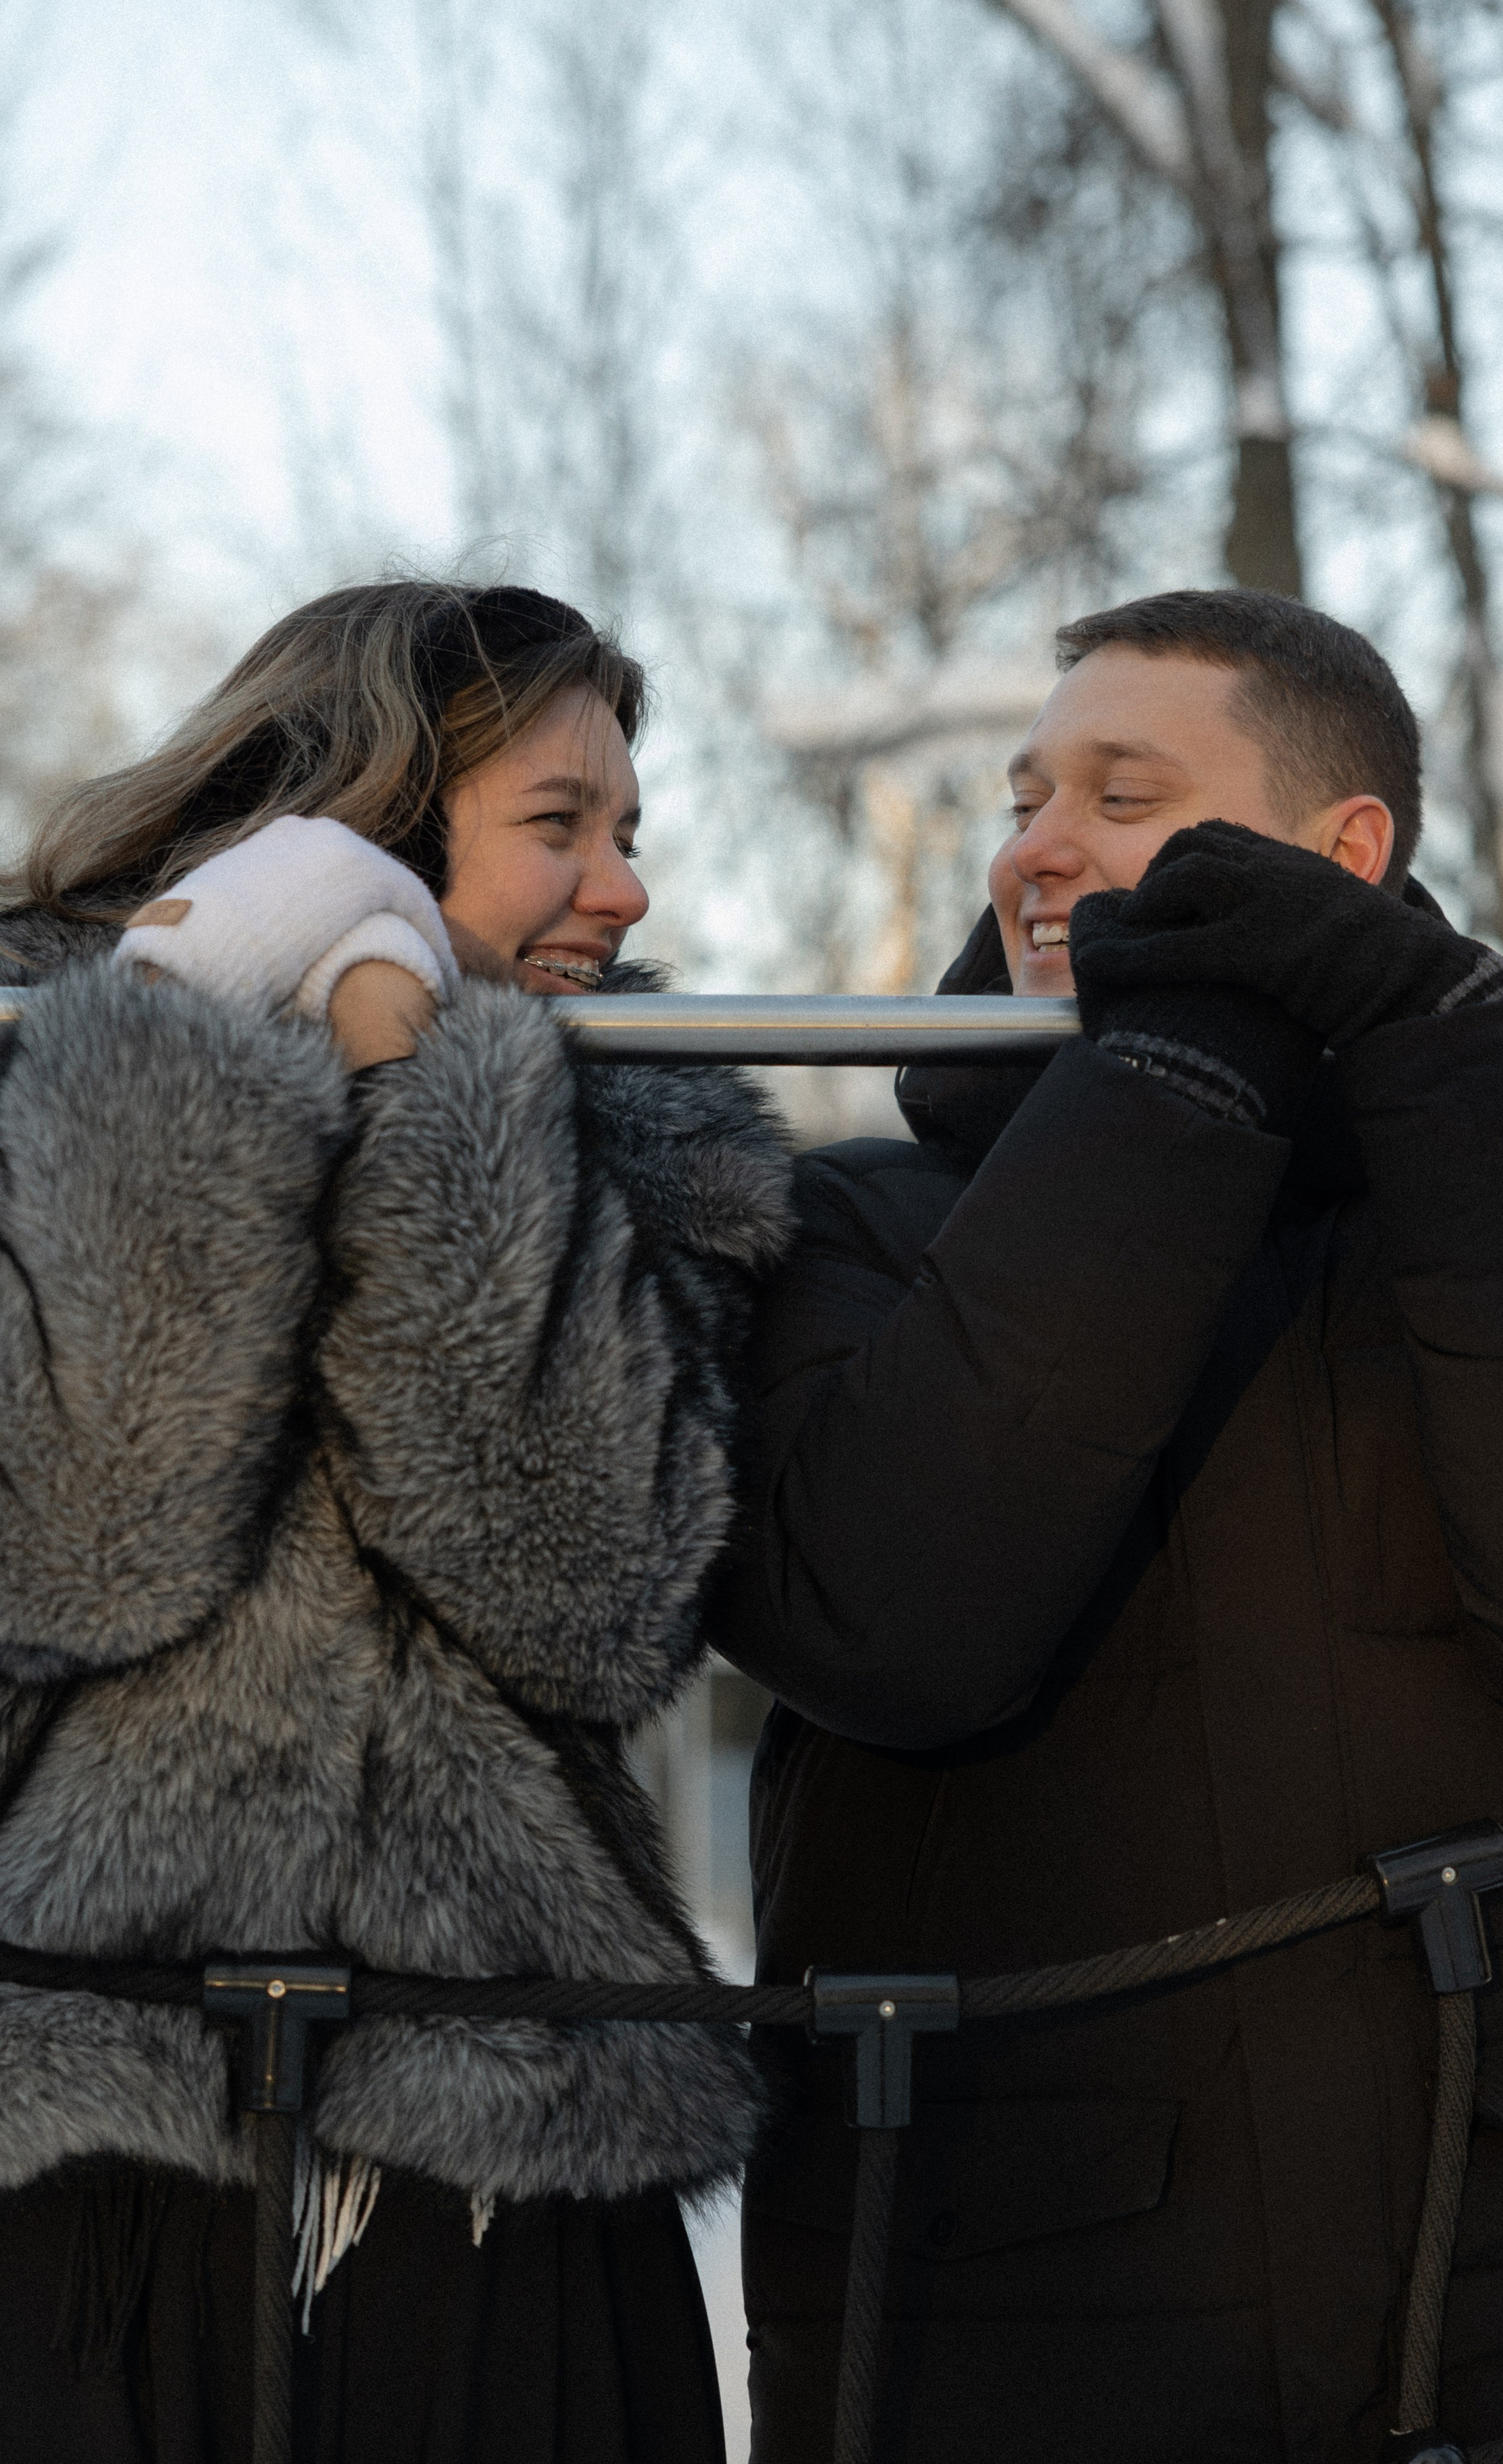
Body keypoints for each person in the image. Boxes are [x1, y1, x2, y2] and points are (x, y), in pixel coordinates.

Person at [720, 589, 1503, 2461]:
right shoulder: (847, 1225)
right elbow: (894, 1620)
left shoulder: (1493, 1202)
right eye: (1024, 798)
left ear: (1344, 857)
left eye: (1122, 797)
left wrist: (1464, 1054)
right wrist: (1177, 1067)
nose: (1035, 850)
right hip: (1022, 2326)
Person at [0, 580, 792, 2464]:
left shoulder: (647, 1136)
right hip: (89, 2120)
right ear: (359, 815)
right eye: (559, 824)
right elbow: (75, 1543)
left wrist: (431, 1091)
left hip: (508, 2142)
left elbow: (583, 1591)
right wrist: (167, 1056)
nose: (625, 889)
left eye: (630, 830)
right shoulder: (39, 1055)